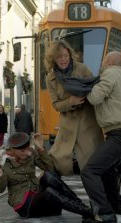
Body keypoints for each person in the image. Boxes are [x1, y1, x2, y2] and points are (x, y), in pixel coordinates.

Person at [79, 51, 121, 223]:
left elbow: (95, 98)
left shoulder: (111, 73)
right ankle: (117, 205)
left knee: (89, 171)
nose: (102, 60)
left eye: (105, 58)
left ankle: (104, 214)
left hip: (119, 134)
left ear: (111, 62)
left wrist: (86, 90)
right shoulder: (120, 75)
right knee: (106, 169)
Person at [0, 132, 92, 219]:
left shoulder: (30, 152)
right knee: (49, 192)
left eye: (27, 149)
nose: (26, 153)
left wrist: (40, 148)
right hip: (25, 204)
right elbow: (0, 189)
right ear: (13, 150)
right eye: (22, 151)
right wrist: (0, 177)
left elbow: (50, 169)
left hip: (36, 192)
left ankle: (81, 205)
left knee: (49, 176)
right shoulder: (3, 163)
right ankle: (88, 212)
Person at [45, 40, 103, 176]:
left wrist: (85, 94)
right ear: (53, 59)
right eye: (59, 57)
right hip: (67, 126)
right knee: (58, 160)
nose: (63, 59)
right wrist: (70, 101)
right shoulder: (50, 78)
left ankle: (96, 195)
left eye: (65, 56)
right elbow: (55, 104)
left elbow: (95, 87)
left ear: (70, 55)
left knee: (90, 165)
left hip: (87, 122)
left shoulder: (82, 69)